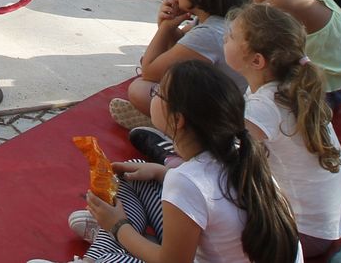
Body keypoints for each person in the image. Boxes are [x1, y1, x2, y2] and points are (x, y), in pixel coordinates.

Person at [65, 61, 300, 263]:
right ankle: (116, 237)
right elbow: (210, 195)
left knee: (109, 257)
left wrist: (118, 226)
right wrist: (161, 172)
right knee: (132, 174)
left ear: (177, 120)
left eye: (158, 92)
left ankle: (105, 246)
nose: (153, 94)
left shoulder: (186, 180)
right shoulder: (242, 153)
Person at [220, 4, 341, 257]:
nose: (225, 37)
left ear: (257, 60)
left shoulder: (264, 106)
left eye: (232, 36)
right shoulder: (287, 89)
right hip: (327, 225)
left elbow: (224, 158)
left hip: (300, 234)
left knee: (205, 199)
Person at [110, 0, 250, 128]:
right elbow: (181, 46)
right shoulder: (223, 19)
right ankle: (164, 120)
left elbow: (150, 70)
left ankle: (174, 131)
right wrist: (168, 27)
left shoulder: (209, 33)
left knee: (140, 89)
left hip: (223, 119)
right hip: (226, 103)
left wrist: (166, 27)